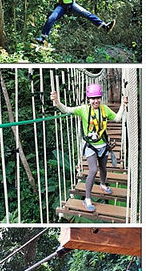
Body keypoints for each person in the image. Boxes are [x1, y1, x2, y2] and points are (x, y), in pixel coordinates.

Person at [51, 84, 127, 212]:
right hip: (90, 146)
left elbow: (118, 118)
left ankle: (103, 184)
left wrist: (123, 105)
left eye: (97, 98)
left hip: (103, 145)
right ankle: (87, 199)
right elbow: (66, 110)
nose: (95, 100)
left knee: (103, 167)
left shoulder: (105, 109)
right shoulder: (83, 109)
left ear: (100, 98)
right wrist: (57, 102)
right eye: (93, 98)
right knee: (93, 170)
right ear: (88, 99)